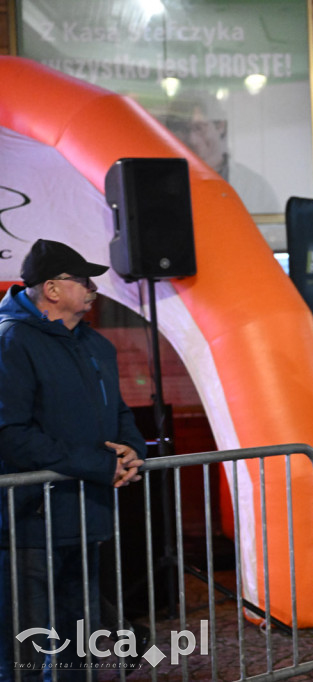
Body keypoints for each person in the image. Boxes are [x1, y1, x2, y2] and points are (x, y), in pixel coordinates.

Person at [0, 239, 146, 681]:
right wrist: (99, 466)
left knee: (76, 646)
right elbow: (10, 434)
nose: (92, 288)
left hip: (84, 516)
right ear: (52, 289)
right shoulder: (11, 342)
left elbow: (119, 411)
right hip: (28, 521)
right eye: (81, 280)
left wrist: (131, 449)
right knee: (24, 648)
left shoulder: (96, 345)